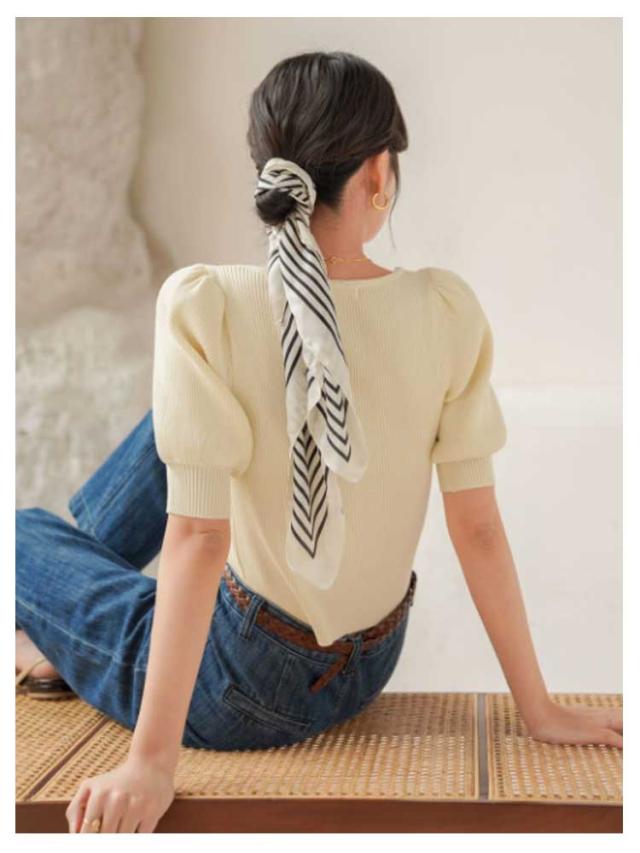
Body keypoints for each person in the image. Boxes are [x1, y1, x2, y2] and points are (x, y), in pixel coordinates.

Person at [15, 50, 622, 834]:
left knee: (21, 535)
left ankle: (60, 624)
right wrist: (538, 708)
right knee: (185, 421)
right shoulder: (446, 311)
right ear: (379, 173)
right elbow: (477, 528)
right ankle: (67, 621)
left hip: (237, 688)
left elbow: (199, 537)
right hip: (370, 662)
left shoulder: (208, 305)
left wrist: (151, 761)